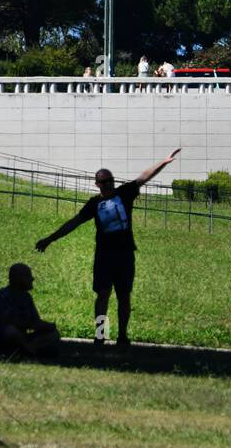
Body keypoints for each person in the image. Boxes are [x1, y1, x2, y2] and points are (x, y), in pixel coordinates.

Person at [35, 148, 181, 352]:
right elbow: (74, 223)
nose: (107, 184)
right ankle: (100, 335)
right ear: (97, 184)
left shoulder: (125, 193)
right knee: (103, 295)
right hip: (104, 257)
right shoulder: (94, 204)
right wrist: (50, 239)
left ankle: (122, 335)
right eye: (102, 182)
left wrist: (164, 162)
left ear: (113, 180)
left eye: (109, 180)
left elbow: (143, 177)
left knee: (124, 296)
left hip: (125, 255)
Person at [0, 264, 60, 360]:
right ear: (18, 279)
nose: (32, 279)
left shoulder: (26, 297)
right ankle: (25, 351)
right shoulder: (2, 296)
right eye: (28, 276)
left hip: (19, 338)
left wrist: (49, 327)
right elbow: (8, 324)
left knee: (53, 334)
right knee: (11, 331)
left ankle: (25, 350)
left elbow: (34, 322)